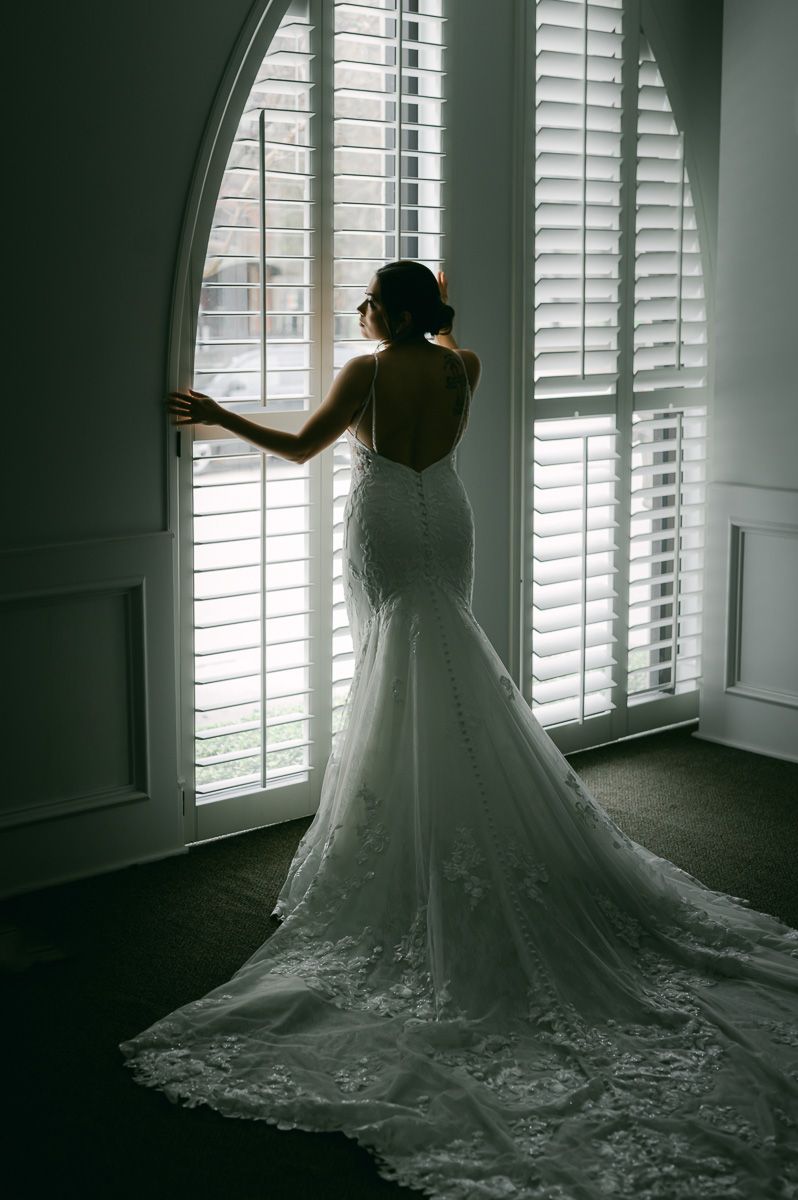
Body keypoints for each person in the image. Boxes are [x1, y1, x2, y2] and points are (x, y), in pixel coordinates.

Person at [122, 261, 798, 1199]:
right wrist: (431, 304)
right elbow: (439, 345)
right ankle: (444, 809)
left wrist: (216, 415)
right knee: (443, 654)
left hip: (390, 517)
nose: (358, 312)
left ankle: (406, 820)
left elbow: (303, 450)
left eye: (368, 301)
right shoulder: (461, 365)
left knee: (399, 661)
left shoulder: (366, 371)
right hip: (448, 514)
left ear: (389, 312)